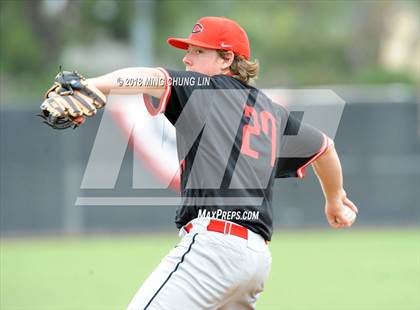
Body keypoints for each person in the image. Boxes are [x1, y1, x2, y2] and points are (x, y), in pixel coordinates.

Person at [42, 16, 358, 309]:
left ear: (227, 59)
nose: (187, 59)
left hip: (214, 247)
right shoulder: (272, 111)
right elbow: (326, 148)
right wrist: (334, 200)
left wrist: (95, 84)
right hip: (256, 259)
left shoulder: (202, 89)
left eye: (198, 51)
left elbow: (151, 77)